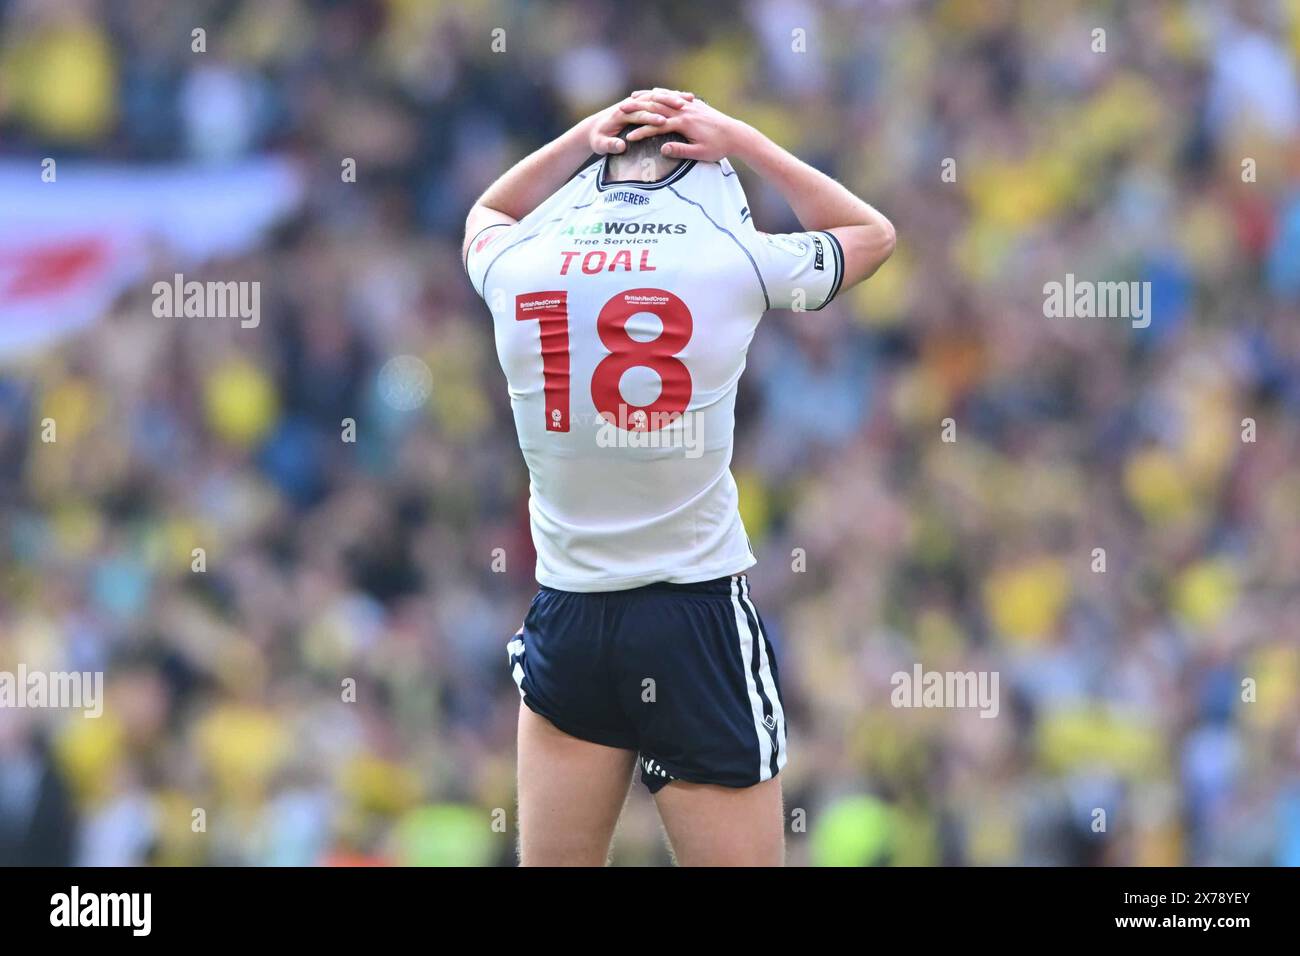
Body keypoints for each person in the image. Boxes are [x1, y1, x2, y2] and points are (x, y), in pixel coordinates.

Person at [463, 88, 895, 866]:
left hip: (570, 613)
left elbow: (486, 211)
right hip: (692, 615)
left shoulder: (517, 263)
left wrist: (577, 139)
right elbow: (871, 233)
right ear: (705, 168)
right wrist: (748, 140)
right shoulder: (730, 257)